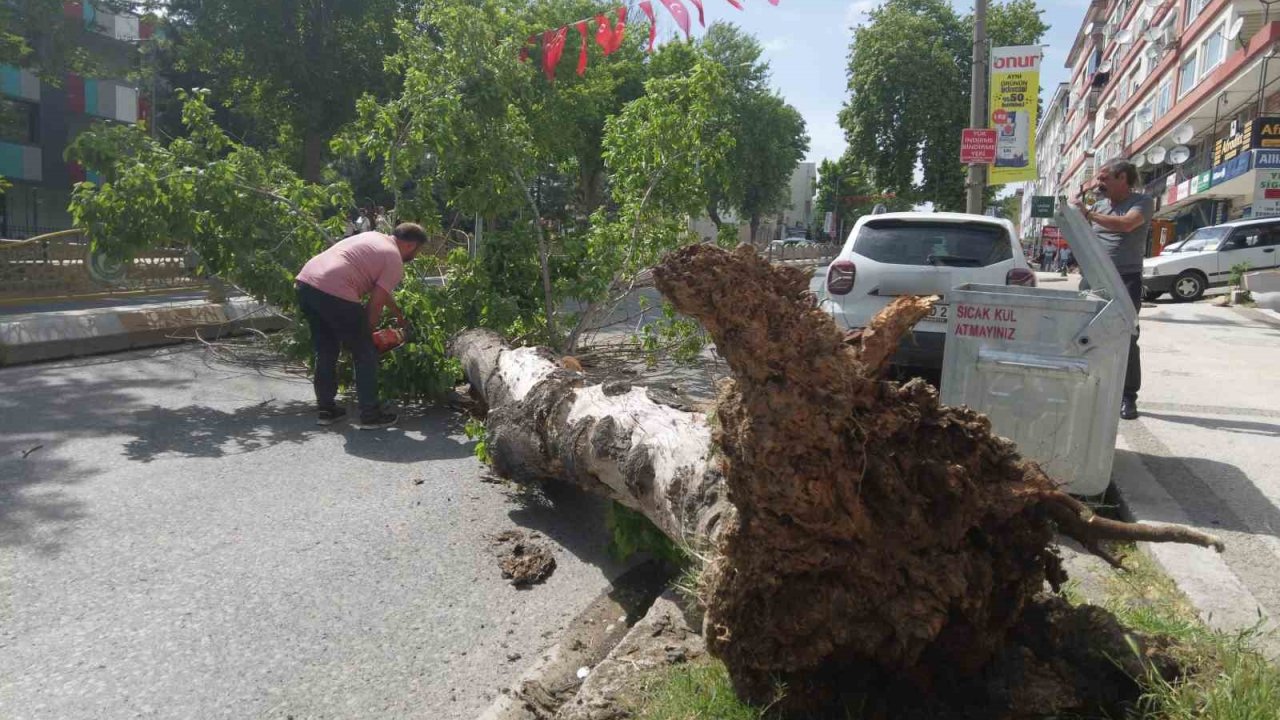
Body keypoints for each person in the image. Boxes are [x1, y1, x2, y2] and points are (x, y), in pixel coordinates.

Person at [294, 223, 427, 428]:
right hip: (335, 290)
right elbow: (375, 305)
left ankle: (326, 410)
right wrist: (367, 335)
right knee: (365, 353)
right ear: (411, 245)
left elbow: (379, 290)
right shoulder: (394, 260)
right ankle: (370, 415)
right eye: (418, 250)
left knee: (326, 349)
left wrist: (397, 314)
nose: (416, 255)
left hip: (306, 284)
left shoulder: (374, 237)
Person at [1073, 159, 1153, 420]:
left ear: (1123, 178)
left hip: (1125, 278)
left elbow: (1127, 224)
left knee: (1127, 335)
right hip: (1094, 277)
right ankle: (1087, 386)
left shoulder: (1141, 202)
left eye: (1105, 178)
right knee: (1083, 332)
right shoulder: (1100, 205)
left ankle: (1128, 397)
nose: (1099, 183)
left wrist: (1088, 214)